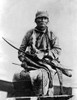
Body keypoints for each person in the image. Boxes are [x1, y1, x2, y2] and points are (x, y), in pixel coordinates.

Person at [13, 11, 72, 96]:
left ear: (47, 21)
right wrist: (23, 61)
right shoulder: (29, 33)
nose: (42, 20)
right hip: (31, 62)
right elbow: (21, 51)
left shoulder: (52, 34)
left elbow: (57, 50)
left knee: (43, 75)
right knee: (18, 76)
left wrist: (44, 54)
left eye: (45, 18)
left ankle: (44, 95)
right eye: (40, 18)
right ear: (36, 21)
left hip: (47, 62)